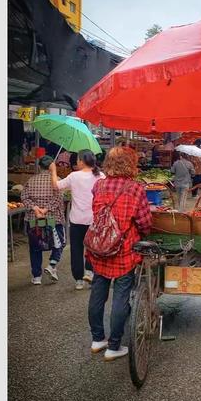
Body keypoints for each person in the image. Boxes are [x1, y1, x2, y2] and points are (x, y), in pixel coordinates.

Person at [87, 146, 152, 361]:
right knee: (121, 296)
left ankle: (97, 339)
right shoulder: (135, 188)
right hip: (124, 251)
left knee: (98, 291)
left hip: (99, 248)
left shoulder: (99, 185)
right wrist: (143, 233)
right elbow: (144, 223)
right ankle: (114, 346)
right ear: (131, 164)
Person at [49, 150, 105, 290]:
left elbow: (56, 186)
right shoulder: (101, 176)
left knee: (76, 249)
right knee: (93, 248)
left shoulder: (74, 176)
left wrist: (53, 170)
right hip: (94, 219)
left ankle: (78, 280)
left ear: (81, 161)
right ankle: (90, 271)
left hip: (76, 220)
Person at [21, 155, 66, 285]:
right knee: (59, 242)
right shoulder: (56, 180)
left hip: (34, 219)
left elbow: (24, 197)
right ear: (52, 166)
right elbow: (58, 198)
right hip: (52, 219)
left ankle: (36, 277)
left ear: (40, 166)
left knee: (35, 245)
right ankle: (52, 263)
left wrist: (35, 208)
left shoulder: (31, 180)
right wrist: (46, 209)